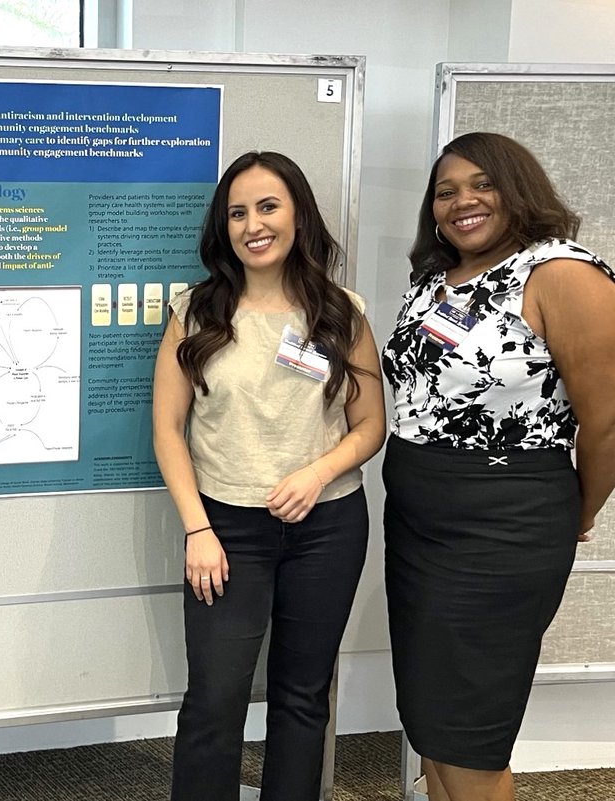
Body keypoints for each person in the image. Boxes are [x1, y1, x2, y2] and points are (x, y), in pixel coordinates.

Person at [382, 131, 615, 801]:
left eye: (482, 184)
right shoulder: (435, 278)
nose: (463, 202)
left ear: (518, 189)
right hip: (420, 525)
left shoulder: (562, 273)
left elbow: (605, 419)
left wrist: (582, 506)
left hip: (504, 527)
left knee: (471, 728)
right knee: (431, 716)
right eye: (446, 191)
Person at [153, 151, 385, 801]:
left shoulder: (342, 312)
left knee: (303, 696)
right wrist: (197, 528)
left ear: (297, 215)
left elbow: (371, 425)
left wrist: (318, 472)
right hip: (225, 529)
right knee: (214, 699)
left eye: (267, 206)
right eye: (237, 212)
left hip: (328, 526)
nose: (252, 223)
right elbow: (168, 430)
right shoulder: (195, 311)